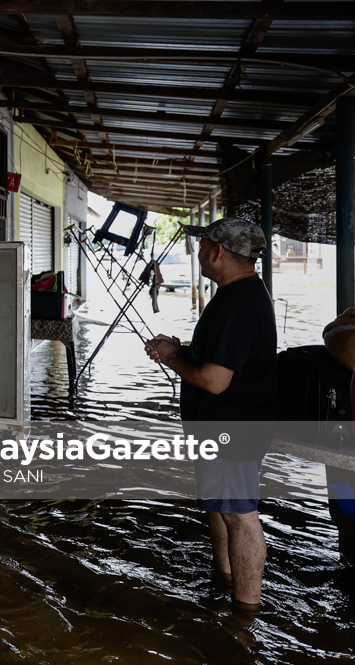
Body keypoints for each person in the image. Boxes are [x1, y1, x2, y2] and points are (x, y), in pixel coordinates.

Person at [144, 217, 276, 611]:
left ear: (217, 251)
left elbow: (216, 381)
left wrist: (171, 358)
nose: (198, 253)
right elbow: (225, 361)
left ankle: (245, 615)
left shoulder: (239, 303)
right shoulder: (238, 294)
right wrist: (182, 351)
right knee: (223, 508)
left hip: (233, 427)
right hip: (224, 425)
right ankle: (224, 583)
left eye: (201, 247)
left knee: (240, 516)